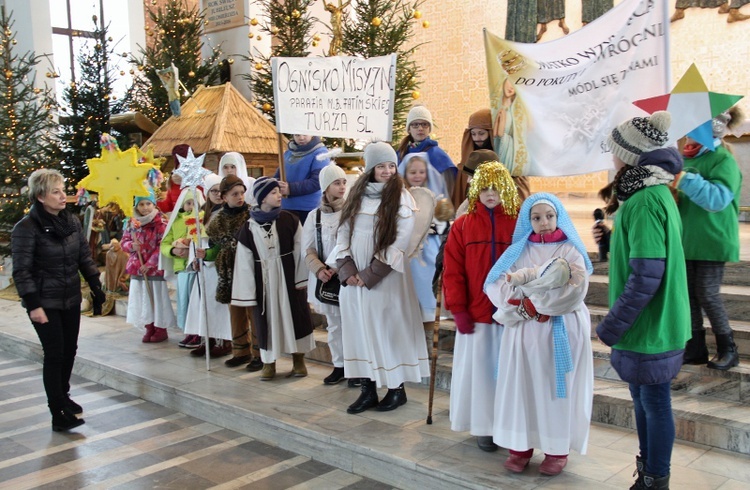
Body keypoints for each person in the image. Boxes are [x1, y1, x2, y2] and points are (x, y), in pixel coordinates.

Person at [596, 111, 689, 490]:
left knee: (654, 403)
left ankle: (655, 479)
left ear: (630, 156)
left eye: (615, 151)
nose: (612, 158)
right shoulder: (650, 193)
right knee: (644, 401)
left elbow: (647, 274)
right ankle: (649, 471)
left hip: (649, 324)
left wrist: (613, 323)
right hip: (649, 325)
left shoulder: (645, 201)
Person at [484, 193, 594, 476]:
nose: (544, 223)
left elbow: (574, 289)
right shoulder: (517, 252)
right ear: (527, 221)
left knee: (554, 390)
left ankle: (556, 450)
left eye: (549, 216)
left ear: (559, 217)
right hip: (523, 331)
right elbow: (498, 283)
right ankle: (520, 447)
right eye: (536, 218)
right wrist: (527, 302)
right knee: (521, 386)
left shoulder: (570, 251)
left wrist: (536, 302)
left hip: (559, 328)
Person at [328, 141, 430, 414]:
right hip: (354, 279)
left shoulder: (401, 198)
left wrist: (370, 274)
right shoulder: (356, 196)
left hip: (385, 278)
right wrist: (348, 270)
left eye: (391, 165)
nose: (387, 171)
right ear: (370, 168)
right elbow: (343, 233)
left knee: (386, 329)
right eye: (381, 166)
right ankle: (367, 389)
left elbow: (399, 241)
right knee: (358, 331)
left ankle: (396, 389)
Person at [11, 169, 106, 432]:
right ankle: (57, 413)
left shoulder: (71, 222)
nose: (64, 195)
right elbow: (21, 270)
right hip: (45, 302)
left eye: (63, 189)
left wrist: (96, 285)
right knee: (54, 355)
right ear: (41, 197)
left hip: (70, 298)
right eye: (56, 191)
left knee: (69, 350)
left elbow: (83, 256)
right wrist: (33, 305)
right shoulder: (26, 228)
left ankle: (63, 396)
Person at [442, 160, 519, 452]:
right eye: (484, 187)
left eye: (496, 188)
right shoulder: (463, 224)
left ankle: (511, 426)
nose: (490, 194)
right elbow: (453, 270)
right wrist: (458, 308)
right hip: (477, 315)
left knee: (510, 374)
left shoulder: (519, 221)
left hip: (511, 314)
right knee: (482, 375)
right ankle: (485, 427)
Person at [677, 106, 744, 370]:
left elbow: (716, 200)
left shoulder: (722, 160)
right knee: (690, 295)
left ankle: (728, 348)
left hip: (712, 239)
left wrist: (684, 179)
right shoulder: (683, 159)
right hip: (687, 239)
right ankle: (695, 348)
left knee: (707, 293)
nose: (687, 136)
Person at [232, 177, 316, 380]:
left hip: (289, 278)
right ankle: (268, 363)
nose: (279, 195)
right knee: (266, 322)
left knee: (296, 317)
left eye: (279, 191)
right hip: (264, 282)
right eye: (273, 192)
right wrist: (248, 292)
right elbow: (244, 263)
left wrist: (300, 279)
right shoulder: (247, 229)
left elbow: (300, 249)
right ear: (261, 198)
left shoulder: (290, 220)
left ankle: (298, 360)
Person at [206, 175, 263, 371]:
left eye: (241, 193)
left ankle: (259, 352)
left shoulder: (252, 215)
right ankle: (240, 351)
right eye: (234, 194)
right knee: (235, 311)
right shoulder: (217, 221)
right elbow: (214, 249)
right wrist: (204, 255)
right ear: (224, 197)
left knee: (252, 310)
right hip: (229, 269)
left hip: (248, 267)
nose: (240, 197)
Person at [302, 163, 348, 384]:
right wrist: (319, 269)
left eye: (343, 182)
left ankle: (356, 367)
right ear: (326, 186)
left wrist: (337, 266)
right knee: (334, 324)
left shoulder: (351, 212)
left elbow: (351, 243)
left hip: (347, 275)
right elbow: (308, 248)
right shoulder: (314, 216)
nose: (341, 187)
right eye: (336, 183)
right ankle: (339, 365)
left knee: (352, 325)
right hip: (326, 280)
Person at [398, 153, 449, 344]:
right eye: (413, 172)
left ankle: (428, 336)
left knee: (426, 290)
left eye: (421, 171)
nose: (417, 175)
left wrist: (434, 223)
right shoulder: (401, 196)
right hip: (408, 250)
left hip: (428, 250)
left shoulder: (436, 196)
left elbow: (444, 224)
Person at [184, 173, 233, 358]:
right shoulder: (201, 213)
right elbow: (195, 239)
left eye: (220, 191)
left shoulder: (227, 213)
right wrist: (195, 259)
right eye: (213, 191)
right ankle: (208, 339)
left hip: (219, 264)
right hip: (203, 265)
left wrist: (212, 255)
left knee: (218, 304)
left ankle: (224, 339)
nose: (217, 194)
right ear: (207, 192)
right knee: (204, 303)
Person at [121, 190, 176, 343]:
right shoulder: (132, 223)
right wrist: (131, 245)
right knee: (143, 299)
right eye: (141, 204)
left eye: (148, 204)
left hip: (154, 268)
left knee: (156, 299)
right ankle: (148, 325)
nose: (145, 208)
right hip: (138, 267)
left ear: (154, 204)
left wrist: (150, 263)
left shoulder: (160, 223)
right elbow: (123, 242)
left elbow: (162, 245)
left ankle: (160, 327)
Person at [159, 188, 204, 348]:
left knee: (196, 301)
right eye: (188, 203)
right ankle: (188, 332)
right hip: (182, 268)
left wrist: (191, 247)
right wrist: (173, 250)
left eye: (195, 203)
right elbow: (165, 243)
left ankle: (198, 333)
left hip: (197, 268)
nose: (191, 207)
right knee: (183, 301)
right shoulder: (176, 221)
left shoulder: (202, 219)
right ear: (182, 204)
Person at [397, 105, 458, 198]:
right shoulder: (401, 153)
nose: (420, 128)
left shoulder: (438, 154)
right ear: (409, 129)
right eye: (415, 125)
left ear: (429, 128)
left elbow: (449, 186)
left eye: (424, 124)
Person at [273, 134, 331, 224]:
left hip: (308, 209)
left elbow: (317, 181)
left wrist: (290, 189)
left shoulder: (321, 153)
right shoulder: (288, 153)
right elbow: (278, 175)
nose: (301, 138)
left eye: (304, 134)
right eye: (297, 135)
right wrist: (277, 184)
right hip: (285, 207)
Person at [454, 109, 494, 209]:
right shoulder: (467, 161)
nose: (477, 138)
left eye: (481, 133)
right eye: (473, 134)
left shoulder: (504, 160)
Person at [157, 144, 190, 213]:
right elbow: (169, 205)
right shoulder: (174, 180)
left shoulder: (202, 177)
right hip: (179, 220)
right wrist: (153, 203)